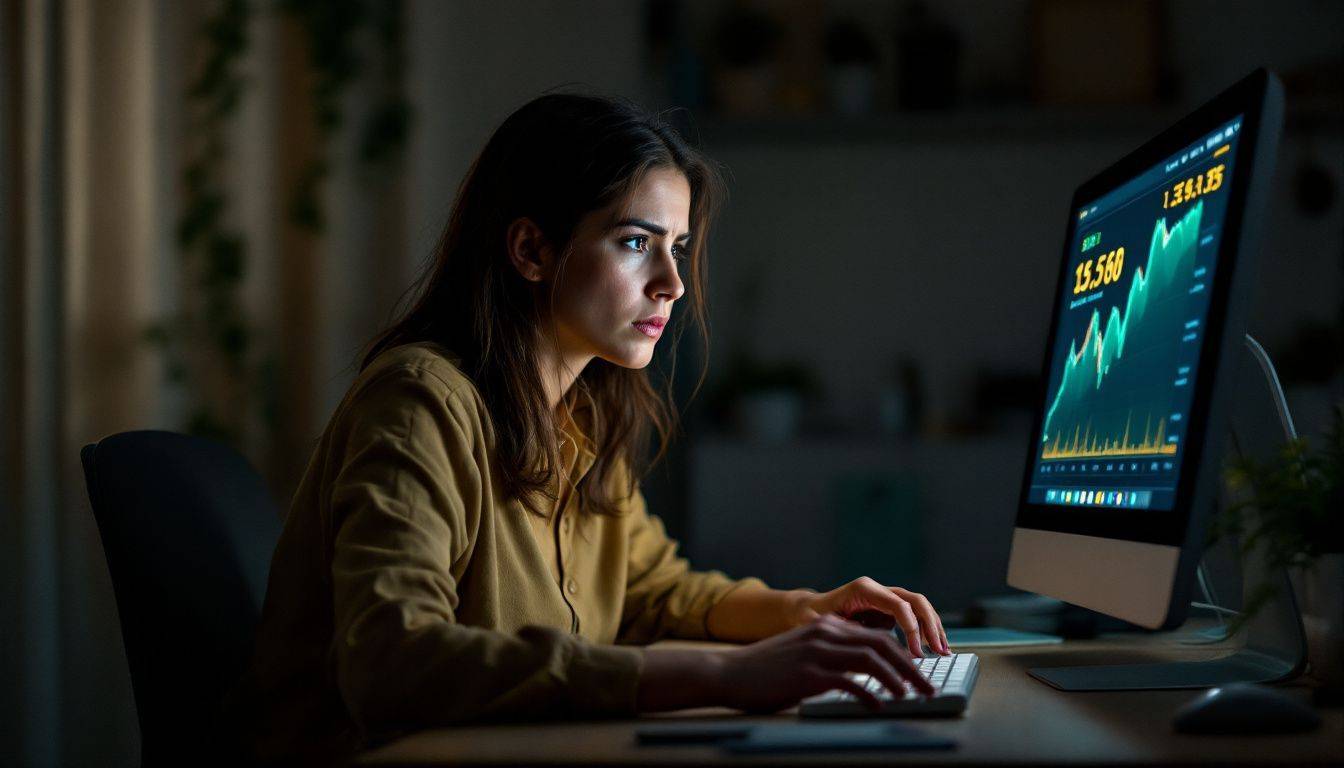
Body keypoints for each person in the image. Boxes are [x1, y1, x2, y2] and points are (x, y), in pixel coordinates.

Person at [230, 93, 949, 765]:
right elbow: (392, 661)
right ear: (532, 252)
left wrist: (806, 612)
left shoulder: (582, 416)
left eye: (679, 245)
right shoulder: (421, 400)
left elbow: (654, 591)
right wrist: (725, 673)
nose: (671, 281)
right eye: (638, 243)